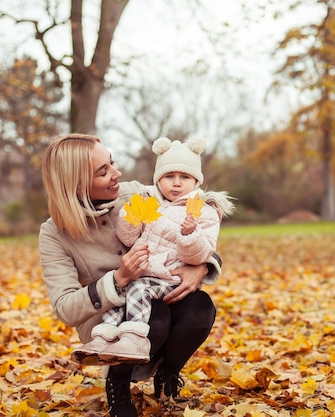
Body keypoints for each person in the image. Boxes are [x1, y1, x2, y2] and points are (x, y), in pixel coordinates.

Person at [39, 133, 222, 417]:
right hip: (107, 315)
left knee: (201, 309)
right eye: (104, 172)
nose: (118, 173)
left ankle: (168, 373)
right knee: (154, 319)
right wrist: (117, 279)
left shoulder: (138, 194)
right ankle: (118, 382)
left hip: (159, 287)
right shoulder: (54, 233)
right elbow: (65, 308)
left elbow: (197, 226)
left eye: (112, 163)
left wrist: (202, 266)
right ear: (75, 183)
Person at [72, 137, 235, 367]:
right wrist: (131, 218)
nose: (176, 184)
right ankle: (101, 339)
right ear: (159, 179)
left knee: (137, 289)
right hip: (144, 272)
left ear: (196, 181)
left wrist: (190, 234)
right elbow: (128, 238)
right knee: (121, 295)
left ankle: (133, 339)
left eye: (184, 177)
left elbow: (200, 254)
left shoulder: (203, 211)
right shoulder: (150, 201)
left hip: (170, 276)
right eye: (169, 177)